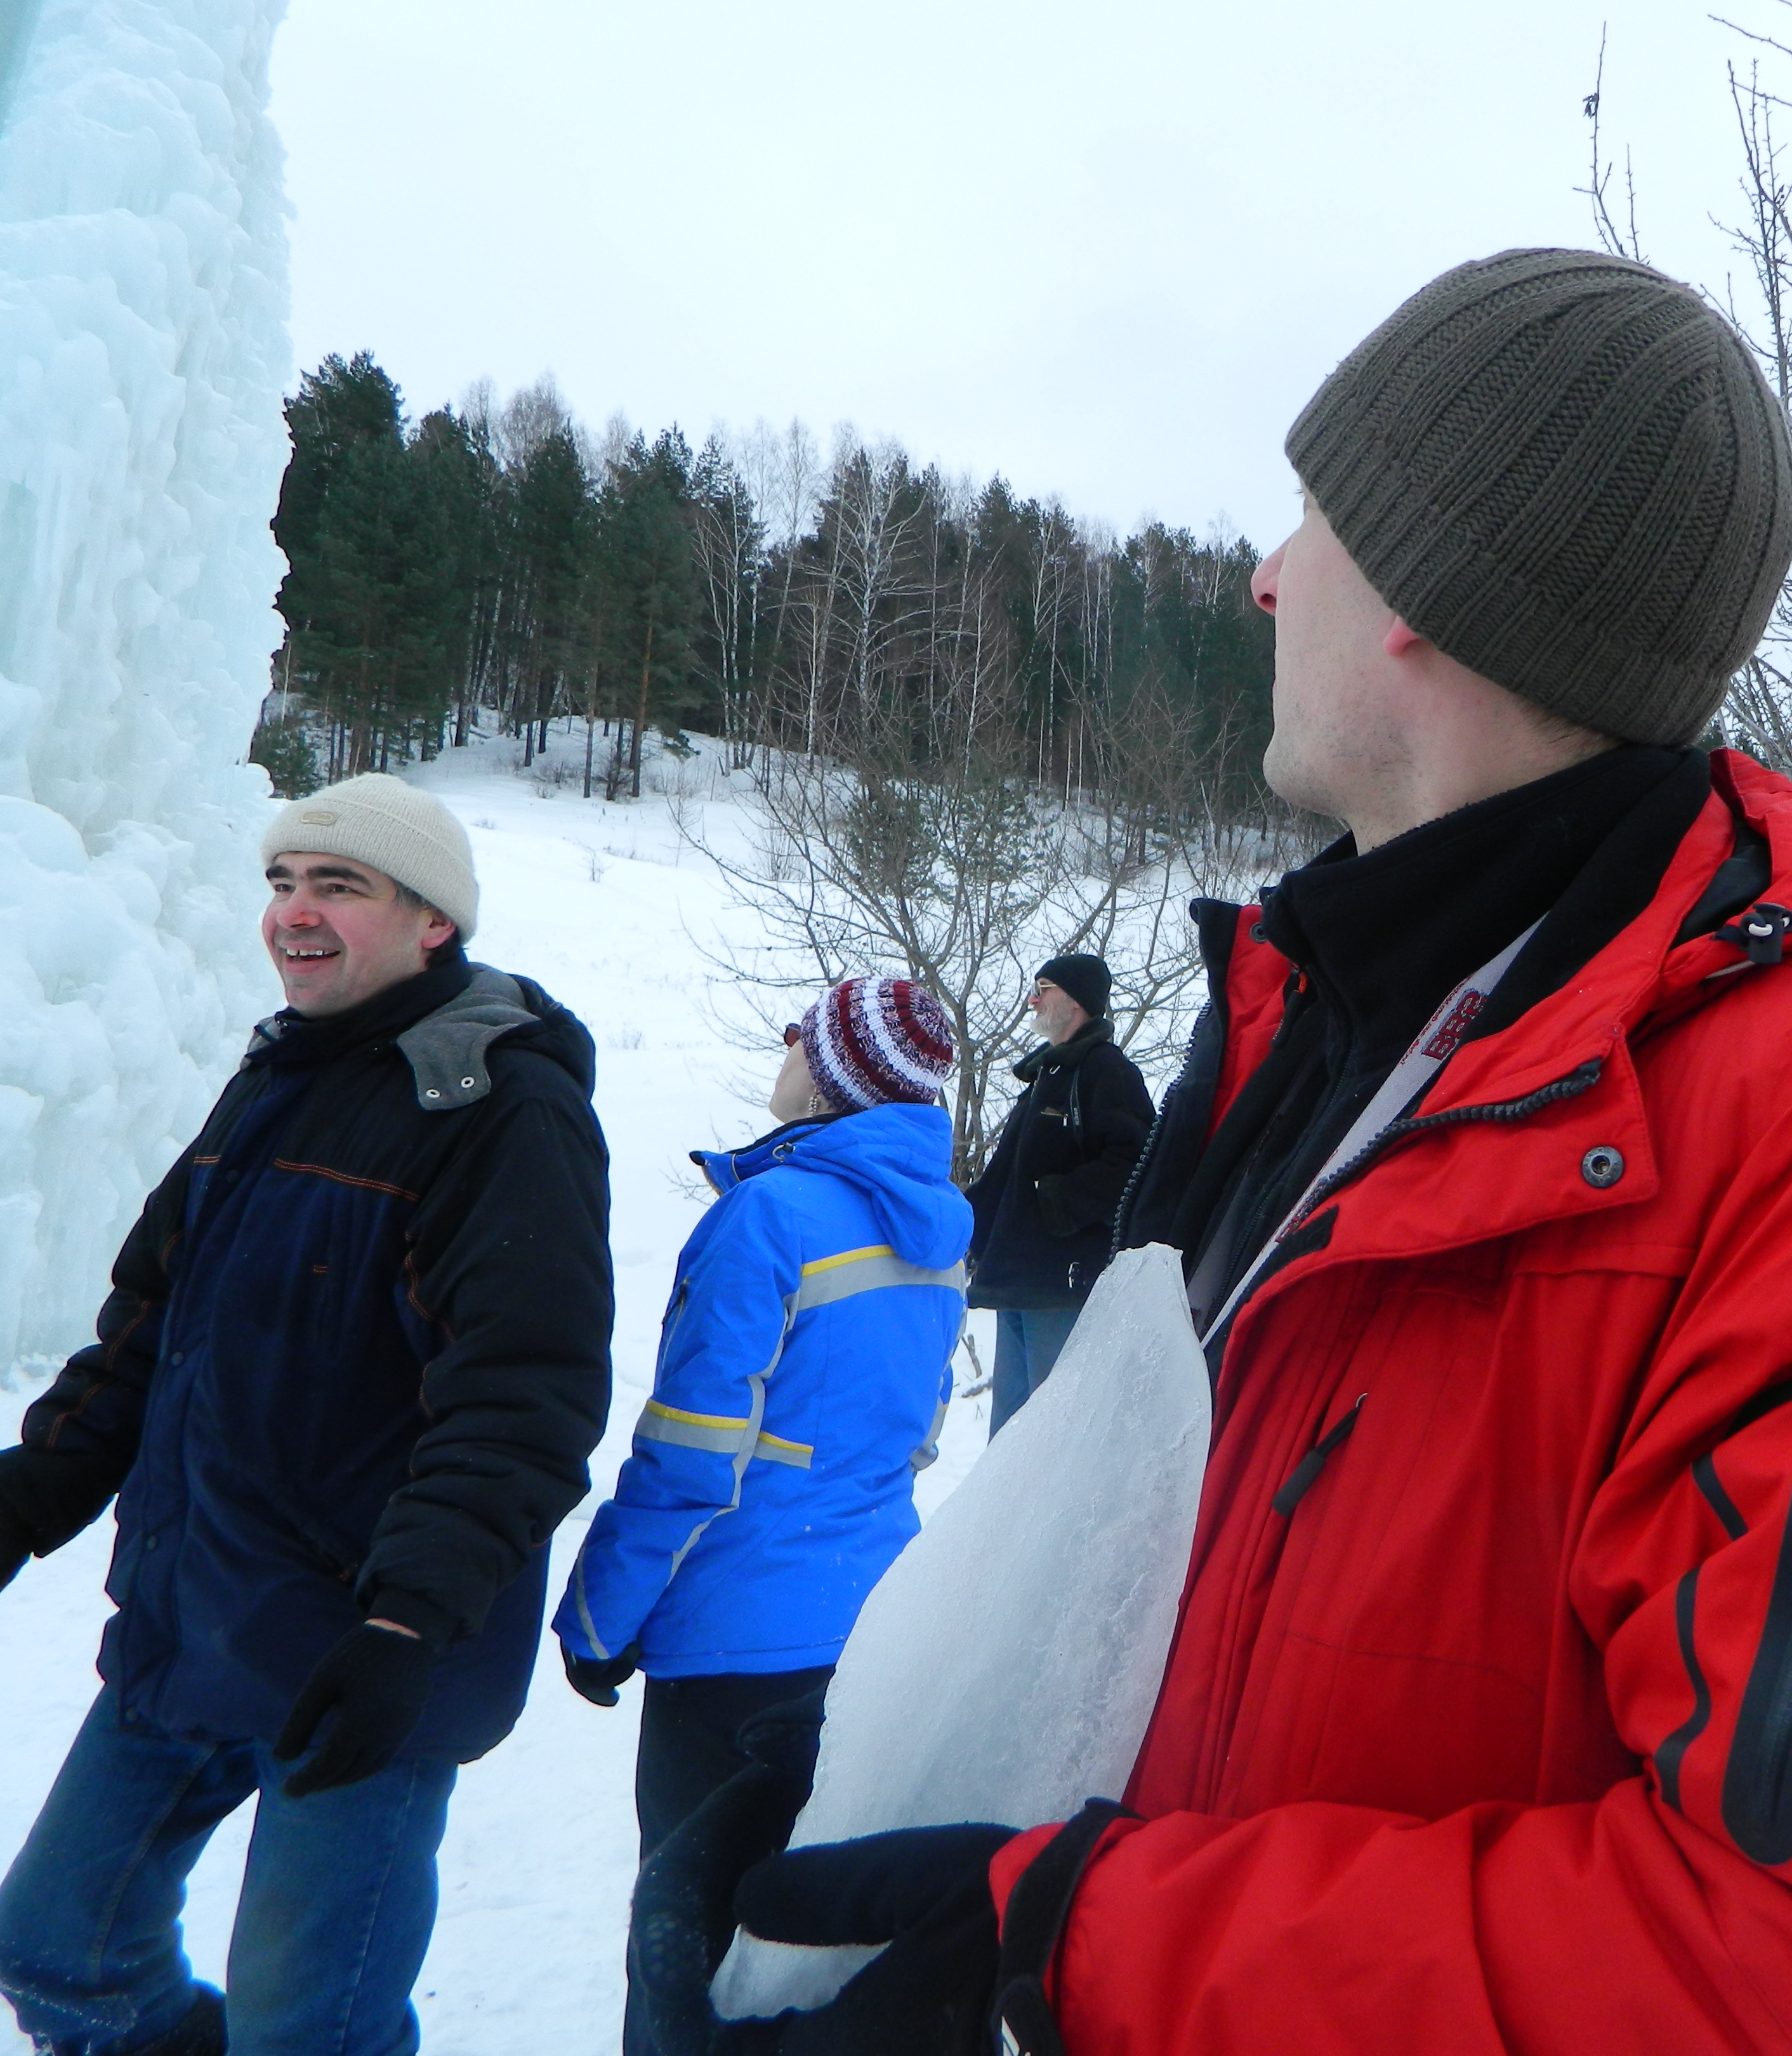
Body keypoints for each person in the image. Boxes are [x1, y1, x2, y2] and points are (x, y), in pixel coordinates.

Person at [684, 249, 1792, 2056]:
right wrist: (903, 1797)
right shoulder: (1329, 1019)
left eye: (1309, 517)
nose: (1262, 574)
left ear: (1424, 596)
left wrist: (1094, 1947)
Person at [0, 774, 612, 2056]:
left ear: (434, 922)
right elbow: (156, 1323)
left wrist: (407, 1624)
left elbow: (522, 1398)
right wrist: (32, 1491)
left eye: (340, 885)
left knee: (306, 2029)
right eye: (282, 882)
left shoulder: (502, 1108)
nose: (294, 911)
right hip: (196, 1613)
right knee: (55, 1947)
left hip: (362, 1650)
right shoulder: (282, 1071)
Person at [552, 975, 970, 2056]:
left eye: (801, 1036)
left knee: (686, 1958)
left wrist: (599, 1618)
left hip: (734, 1652)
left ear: (832, 1077)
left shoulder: (768, 1218)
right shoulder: (938, 1228)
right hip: (871, 1631)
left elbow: (692, 1455)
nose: (784, 1048)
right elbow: (915, 1435)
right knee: (804, 1947)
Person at [962, 954, 1154, 1433]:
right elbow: (1005, 1177)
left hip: (1063, 1286)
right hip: (1016, 1279)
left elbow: (1137, 1162)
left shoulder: (1107, 1071)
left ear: (1076, 1001)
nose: (1032, 1000)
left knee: (1052, 1431)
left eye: (1043, 988)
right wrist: (966, 1224)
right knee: (1010, 1434)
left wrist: (1060, 1203)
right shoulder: (1044, 1079)